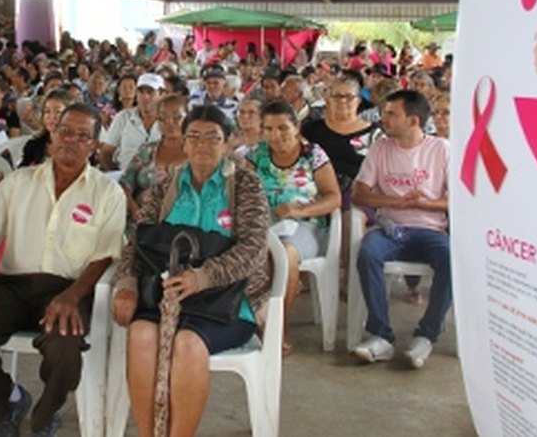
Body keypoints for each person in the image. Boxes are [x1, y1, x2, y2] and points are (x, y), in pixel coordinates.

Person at [0, 103, 126, 437]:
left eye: (82, 135)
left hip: (69, 289)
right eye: (64, 131)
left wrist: (72, 296)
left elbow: (106, 255)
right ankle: (9, 403)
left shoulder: (107, 192)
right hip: (13, 286)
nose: (70, 140)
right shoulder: (19, 181)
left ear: (94, 146)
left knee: (65, 348)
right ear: (52, 135)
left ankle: (46, 415)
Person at [111, 105, 271, 437]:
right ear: (183, 143)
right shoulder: (165, 186)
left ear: (227, 144)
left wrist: (204, 276)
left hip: (227, 303)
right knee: (140, 335)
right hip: (168, 297)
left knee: (188, 344)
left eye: (212, 137)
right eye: (193, 136)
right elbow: (137, 241)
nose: (201, 145)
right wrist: (126, 284)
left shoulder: (245, 185)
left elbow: (253, 248)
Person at [350, 90, 450, 369]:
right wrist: (396, 201)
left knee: (451, 258)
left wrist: (426, 203)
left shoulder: (441, 149)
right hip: (391, 227)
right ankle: (381, 335)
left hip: (431, 230)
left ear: (413, 120)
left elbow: (458, 202)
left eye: (392, 114)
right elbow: (359, 194)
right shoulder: (380, 147)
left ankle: (426, 336)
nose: (384, 118)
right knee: (368, 253)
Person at [246, 100, 341, 355]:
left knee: (286, 254)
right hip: (266, 226)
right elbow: (242, 193)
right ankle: (252, 320)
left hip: (306, 227)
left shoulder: (313, 155)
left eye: (282, 128)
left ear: (296, 127)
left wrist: (300, 210)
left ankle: (279, 327)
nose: (275, 136)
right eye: (268, 129)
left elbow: (334, 197)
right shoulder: (257, 156)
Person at [119, 95, 187, 222]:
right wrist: (134, 210)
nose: (169, 122)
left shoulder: (196, 154)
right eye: (163, 118)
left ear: (187, 119)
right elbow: (125, 184)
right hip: (141, 222)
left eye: (177, 117)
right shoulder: (147, 150)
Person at [99, 73, 163, 172]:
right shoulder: (123, 117)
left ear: (161, 94)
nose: (145, 97)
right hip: (122, 175)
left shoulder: (168, 121)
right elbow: (106, 152)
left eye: (150, 92)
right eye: (141, 92)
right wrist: (117, 178)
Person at [18, 90, 70, 168]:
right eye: (47, 111)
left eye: (58, 112)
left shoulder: (79, 146)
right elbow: (21, 174)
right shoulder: (33, 145)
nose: (51, 117)